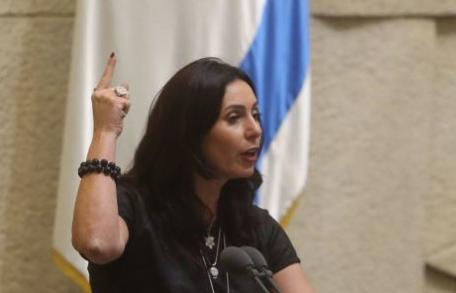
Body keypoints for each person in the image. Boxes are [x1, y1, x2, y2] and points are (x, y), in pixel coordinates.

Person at [71, 54, 315, 293]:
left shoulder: (256, 226)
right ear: (191, 131)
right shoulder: (133, 205)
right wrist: (106, 130)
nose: (255, 130)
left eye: (256, 115)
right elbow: (97, 244)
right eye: (234, 118)